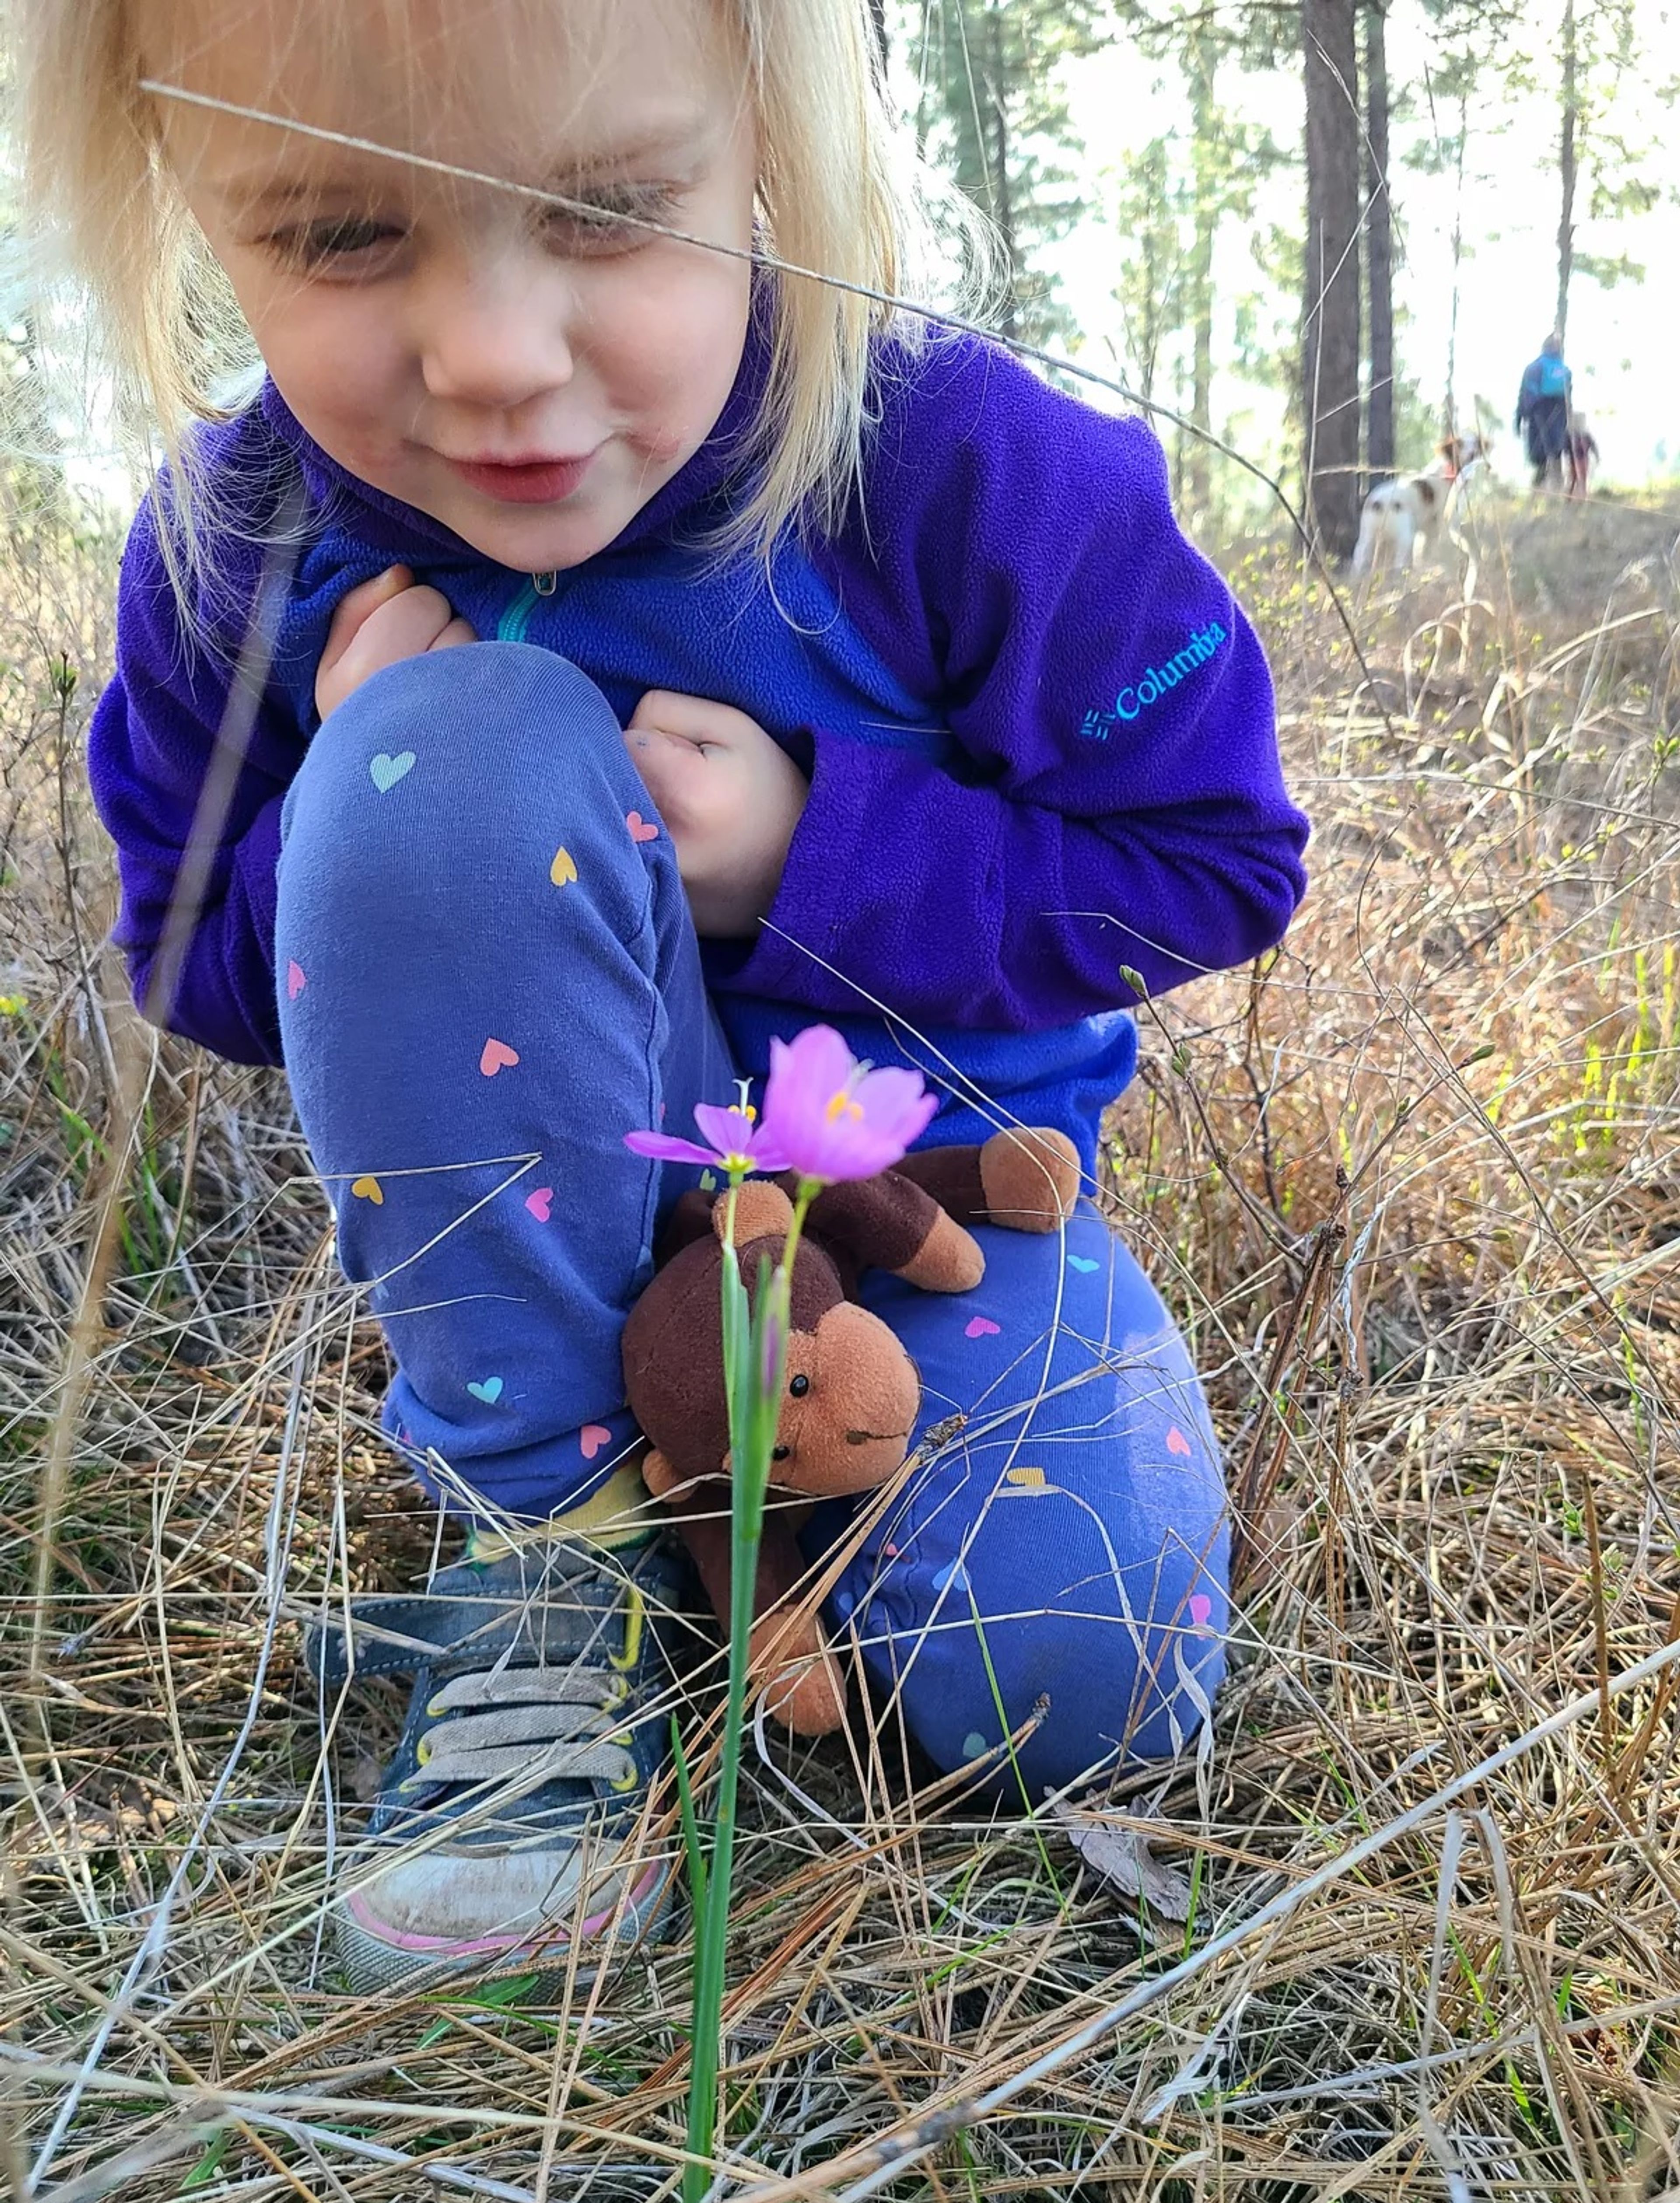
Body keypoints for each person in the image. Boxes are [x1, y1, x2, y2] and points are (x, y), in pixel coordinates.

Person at [20, 0, 1308, 1993]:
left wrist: (824, 857)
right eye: (343, 239)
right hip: (543, 1247)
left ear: (770, 151)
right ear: (193, 209)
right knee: (433, 769)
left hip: (917, 1218)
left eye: (607, 210)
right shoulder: (239, 548)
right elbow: (198, 959)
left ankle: (776, 1531)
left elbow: (1209, 859)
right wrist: (345, 784)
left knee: (1089, 1673)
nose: (492, 359)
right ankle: (557, 1541)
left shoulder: (966, 472)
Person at [1515, 332, 1572, 490]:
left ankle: (1538, 488)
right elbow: (1569, 398)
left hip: (1538, 412)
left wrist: (1520, 419)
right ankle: (1557, 489)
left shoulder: (1534, 368)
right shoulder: (1565, 370)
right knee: (1556, 451)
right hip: (1559, 412)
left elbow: (1524, 394)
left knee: (1539, 453)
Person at [1566, 412, 1600, 500]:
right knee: (1573, 479)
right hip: (1573, 461)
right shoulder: (1569, 435)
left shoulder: (1586, 435)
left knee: (1583, 479)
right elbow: (1565, 448)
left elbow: (1594, 446)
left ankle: (1583, 497)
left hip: (1584, 460)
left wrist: (1597, 456)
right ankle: (1570, 497)